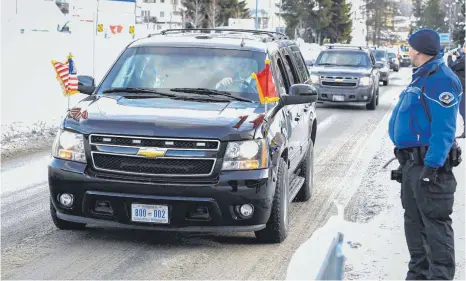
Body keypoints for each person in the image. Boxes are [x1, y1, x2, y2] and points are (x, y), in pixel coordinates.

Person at [389, 28, 463, 280]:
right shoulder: (422, 76)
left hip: (430, 168)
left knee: (434, 229)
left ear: (418, 50)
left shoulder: (441, 79)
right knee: (415, 226)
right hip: (412, 166)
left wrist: (432, 167)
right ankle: (418, 276)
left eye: (409, 46)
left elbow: (444, 129)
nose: (407, 50)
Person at [447, 43, 465, 137]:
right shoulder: (462, 59)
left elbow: (451, 67)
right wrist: (458, 57)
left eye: (463, 47)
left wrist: (449, 56)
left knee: (463, 110)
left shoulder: (463, 60)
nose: (462, 49)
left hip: (464, 88)